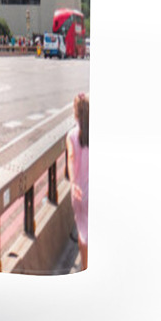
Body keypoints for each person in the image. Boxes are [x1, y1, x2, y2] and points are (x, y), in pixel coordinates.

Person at [66, 93, 90, 270]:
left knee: (83, 232)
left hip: (79, 192)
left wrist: (73, 183)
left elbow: (71, 158)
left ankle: (85, 267)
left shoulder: (72, 135)